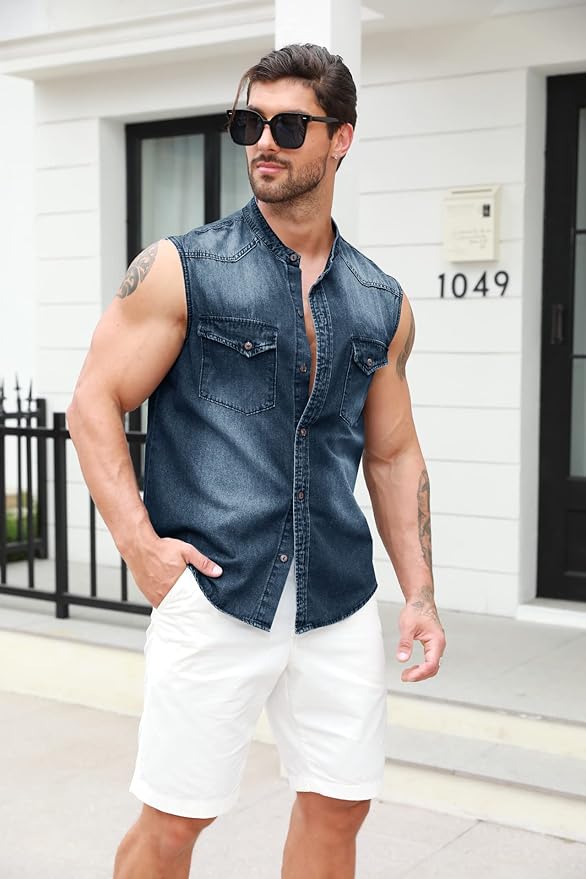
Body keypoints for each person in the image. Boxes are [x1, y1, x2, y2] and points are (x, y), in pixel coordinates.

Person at [67, 42, 446, 879]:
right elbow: (92, 401)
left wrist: (419, 592)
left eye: (288, 125)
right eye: (249, 123)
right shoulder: (183, 268)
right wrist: (141, 549)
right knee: (174, 821)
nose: (263, 141)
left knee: (339, 807)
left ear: (341, 138)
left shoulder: (382, 301)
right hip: (215, 589)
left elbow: (392, 454)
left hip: (337, 597)